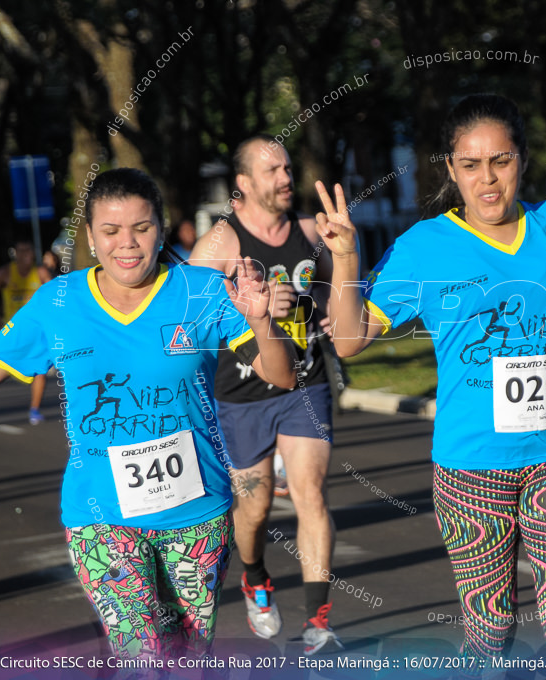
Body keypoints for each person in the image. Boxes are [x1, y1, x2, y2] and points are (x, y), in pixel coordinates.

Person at [315, 93, 546, 678]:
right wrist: (345, 258)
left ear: (523, 160)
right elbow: (349, 339)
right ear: (450, 169)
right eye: (470, 165)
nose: (487, 180)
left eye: (501, 161)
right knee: (489, 633)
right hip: (470, 466)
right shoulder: (423, 247)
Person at [0, 168, 296, 660]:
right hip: (101, 517)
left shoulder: (202, 291)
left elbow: (282, 374)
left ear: (161, 229)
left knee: (188, 657)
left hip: (196, 513)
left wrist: (259, 318)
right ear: (91, 238)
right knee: (144, 655)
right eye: (111, 231)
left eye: (141, 228)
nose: (127, 243)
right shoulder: (59, 303)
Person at [189, 134, 341, 654]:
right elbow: (190, 323)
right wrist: (252, 310)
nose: (284, 178)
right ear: (243, 184)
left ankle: (318, 620)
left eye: (286, 168)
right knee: (252, 512)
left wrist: (324, 301)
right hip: (240, 395)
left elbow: (334, 287)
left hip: (305, 382)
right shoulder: (216, 248)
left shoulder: (307, 232)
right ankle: (254, 575)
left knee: (311, 494)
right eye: (271, 170)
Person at [0, 238, 53, 424]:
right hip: (12, 331)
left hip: (37, 329)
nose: (25, 255)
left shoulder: (40, 273)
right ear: (15, 253)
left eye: (28, 250)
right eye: (21, 251)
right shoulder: (6, 272)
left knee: (41, 368)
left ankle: (34, 409)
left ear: (33, 253)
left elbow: (57, 294)